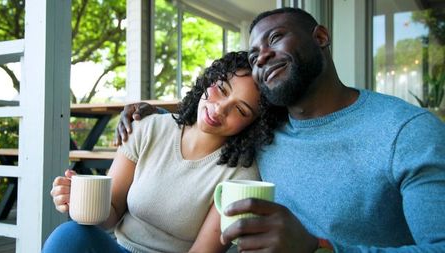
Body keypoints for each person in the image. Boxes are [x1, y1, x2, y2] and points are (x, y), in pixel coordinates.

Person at [114, 7, 445, 253]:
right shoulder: (266, 136)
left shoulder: (407, 132)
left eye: (275, 38)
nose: (262, 57)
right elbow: (211, 124)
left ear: (321, 37)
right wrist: (151, 115)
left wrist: (318, 249)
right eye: (254, 53)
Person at [42, 51, 283, 253]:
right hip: (120, 248)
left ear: (252, 125)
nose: (219, 109)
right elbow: (112, 211)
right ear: (209, 80)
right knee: (70, 234)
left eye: (240, 110)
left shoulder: (240, 175)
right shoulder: (148, 127)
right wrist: (79, 200)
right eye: (221, 88)